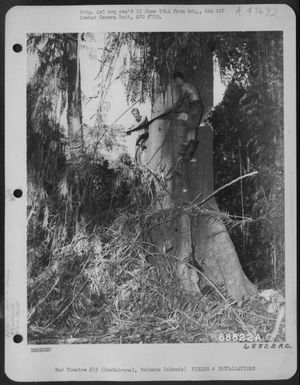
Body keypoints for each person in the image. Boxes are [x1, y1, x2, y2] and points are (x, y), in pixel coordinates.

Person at [171, 72, 204, 140]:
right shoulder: (189, 84)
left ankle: (189, 142)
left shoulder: (184, 86)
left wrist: (173, 109)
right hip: (199, 105)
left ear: (179, 79)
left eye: (176, 81)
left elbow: (180, 101)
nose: (176, 83)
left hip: (195, 105)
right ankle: (191, 141)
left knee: (190, 124)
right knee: (194, 125)